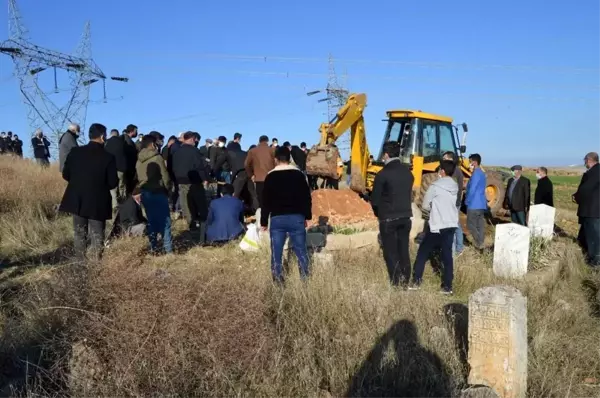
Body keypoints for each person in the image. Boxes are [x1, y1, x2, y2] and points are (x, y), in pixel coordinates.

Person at [59, 123, 117, 261]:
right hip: (97, 201)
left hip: (77, 199)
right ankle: (96, 264)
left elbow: (66, 174)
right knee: (97, 234)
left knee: (79, 233)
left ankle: (80, 263)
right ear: (102, 136)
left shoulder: (75, 152)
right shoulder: (108, 157)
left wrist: (79, 182)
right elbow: (113, 182)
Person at [261, 146, 312, 283]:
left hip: (277, 219)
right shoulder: (299, 175)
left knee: (276, 252)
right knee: (301, 251)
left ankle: (278, 281)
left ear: (276, 159)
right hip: (297, 218)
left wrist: (264, 222)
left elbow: (265, 201)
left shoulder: (270, 176)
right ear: (289, 159)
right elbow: (306, 197)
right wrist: (307, 216)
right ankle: (305, 281)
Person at [409, 160, 458, 294]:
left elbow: (425, 205)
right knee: (447, 255)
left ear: (442, 171)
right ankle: (447, 287)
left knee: (423, 253)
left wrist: (431, 213)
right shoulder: (455, 186)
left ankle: (416, 282)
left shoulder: (435, 186)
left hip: (437, 225)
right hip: (452, 224)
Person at [371, 141, 414, 287]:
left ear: (386, 154)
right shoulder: (408, 173)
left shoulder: (382, 174)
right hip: (406, 217)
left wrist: (379, 214)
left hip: (388, 218)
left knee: (390, 253)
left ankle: (396, 283)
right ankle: (406, 280)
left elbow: (375, 200)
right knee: (403, 250)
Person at [136, 134, 172, 254]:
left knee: (151, 221)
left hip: (145, 192)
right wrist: (168, 189)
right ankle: (168, 250)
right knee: (165, 222)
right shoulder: (157, 158)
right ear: (152, 144)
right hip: (158, 192)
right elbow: (165, 177)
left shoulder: (139, 160)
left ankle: (153, 248)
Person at [172, 131, 210, 238]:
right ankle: (203, 224)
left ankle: (191, 224)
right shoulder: (194, 151)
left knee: (186, 204)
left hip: (181, 181)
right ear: (192, 139)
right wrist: (205, 179)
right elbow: (200, 166)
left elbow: (172, 167)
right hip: (194, 181)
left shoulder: (177, 151)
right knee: (200, 203)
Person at [573, 152, 600, 266]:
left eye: (585, 160)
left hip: (592, 210)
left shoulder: (595, 171)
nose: (584, 163)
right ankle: (588, 255)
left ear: (589, 160)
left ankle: (595, 262)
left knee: (593, 237)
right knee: (586, 235)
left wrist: (576, 196)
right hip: (592, 209)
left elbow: (586, 189)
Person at [442, 151, 464, 256]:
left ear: (451, 159)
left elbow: (453, 188)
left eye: (445, 158)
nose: (443, 160)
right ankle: (458, 248)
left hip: (453, 202)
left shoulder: (455, 171)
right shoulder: (455, 170)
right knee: (456, 224)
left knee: (453, 225)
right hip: (453, 202)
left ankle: (456, 250)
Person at [245, 135, 275, 209]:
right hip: (271, 178)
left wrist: (251, 175)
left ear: (259, 141)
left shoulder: (252, 151)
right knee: (271, 199)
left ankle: (262, 217)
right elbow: (276, 163)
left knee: (261, 200)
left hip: (258, 178)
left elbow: (246, 164)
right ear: (267, 141)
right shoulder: (272, 150)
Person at [465, 153, 487, 249]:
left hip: (474, 204)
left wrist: (467, 201)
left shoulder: (475, 174)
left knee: (470, 224)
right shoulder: (482, 173)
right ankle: (481, 241)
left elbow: (472, 189)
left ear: (474, 162)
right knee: (480, 224)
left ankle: (478, 242)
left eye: (470, 161)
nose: (469, 163)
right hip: (481, 203)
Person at [105, 129, 127, 209]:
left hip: (111, 169)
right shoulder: (123, 143)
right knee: (121, 186)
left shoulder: (107, 143)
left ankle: (115, 205)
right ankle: (123, 204)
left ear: (111, 134)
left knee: (113, 188)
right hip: (121, 168)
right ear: (118, 134)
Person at [122, 124, 139, 195]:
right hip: (129, 169)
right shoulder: (128, 141)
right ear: (132, 131)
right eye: (136, 131)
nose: (136, 133)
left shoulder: (126, 140)